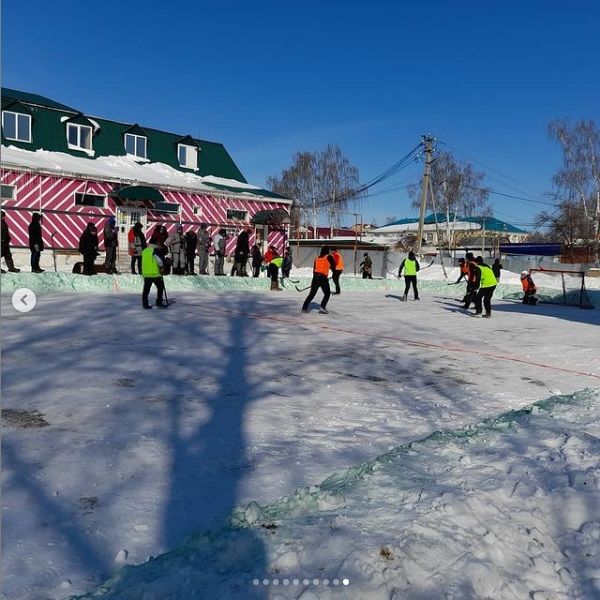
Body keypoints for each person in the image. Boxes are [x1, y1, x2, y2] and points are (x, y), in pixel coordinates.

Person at [301, 246, 336, 314]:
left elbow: (314, 269)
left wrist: (316, 278)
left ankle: (304, 308)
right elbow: (334, 267)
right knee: (327, 293)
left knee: (311, 294)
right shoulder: (329, 257)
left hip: (315, 277)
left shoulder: (317, 258)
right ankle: (322, 307)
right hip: (323, 277)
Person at [141, 236, 167, 309]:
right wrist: (161, 267)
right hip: (155, 273)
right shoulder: (155, 250)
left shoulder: (145, 250)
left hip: (146, 273)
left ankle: (145, 304)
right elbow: (159, 260)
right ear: (156, 243)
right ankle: (159, 301)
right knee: (160, 287)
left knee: (146, 290)